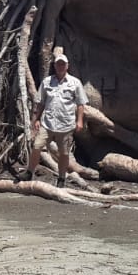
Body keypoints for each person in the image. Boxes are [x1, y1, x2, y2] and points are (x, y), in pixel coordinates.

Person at [27, 53, 89, 186]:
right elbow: (41, 102)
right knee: (37, 146)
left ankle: (61, 178)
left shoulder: (75, 82)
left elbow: (80, 104)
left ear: (67, 66)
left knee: (64, 153)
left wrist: (79, 121)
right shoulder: (47, 82)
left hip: (65, 124)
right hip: (47, 123)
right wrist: (36, 119)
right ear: (54, 66)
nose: (60, 66)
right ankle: (29, 172)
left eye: (63, 64)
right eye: (58, 64)